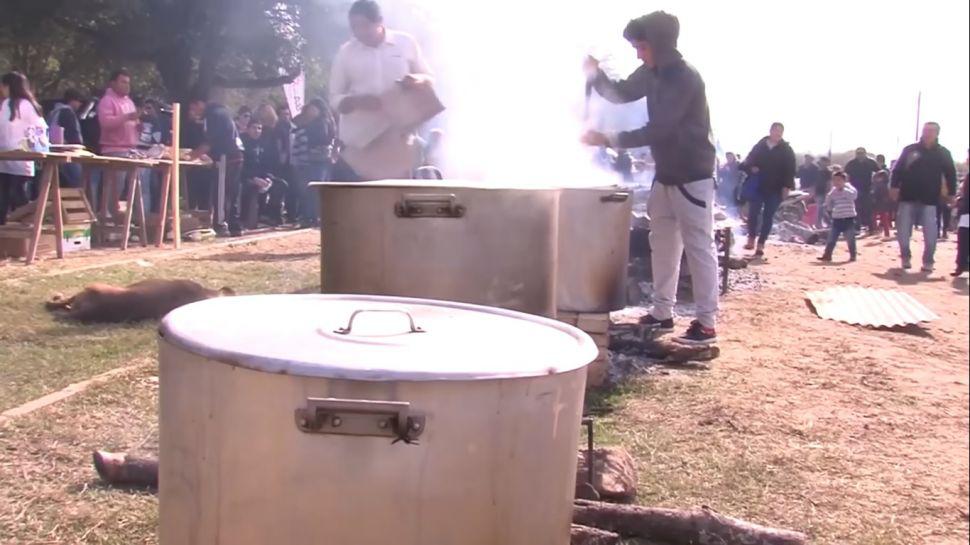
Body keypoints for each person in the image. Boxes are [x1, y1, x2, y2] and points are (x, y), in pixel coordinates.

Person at [581, 10, 719, 345]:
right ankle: (662, 312)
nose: (638, 54)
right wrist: (596, 74)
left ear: (660, 44)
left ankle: (706, 323)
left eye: (642, 47)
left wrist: (608, 138)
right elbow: (622, 92)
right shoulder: (651, 72)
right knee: (663, 244)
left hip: (693, 176)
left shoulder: (685, 78)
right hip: (667, 173)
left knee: (699, 247)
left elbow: (659, 130)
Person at [329, 0, 433, 181]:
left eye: (365, 26)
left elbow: (428, 78)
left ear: (380, 22)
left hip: (399, 135)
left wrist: (416, 80)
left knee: (400, 199)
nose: (360, 32)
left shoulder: (405, 43)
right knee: (369, 199)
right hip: (363, 141)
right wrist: (356, 101)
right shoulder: (346, 53)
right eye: (354, 27)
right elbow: (334, 97)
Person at [891, 122, 957, 272]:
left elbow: (950, 174)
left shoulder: (943, 153)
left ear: (937, 133)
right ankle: (905, 257)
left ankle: (928, 261)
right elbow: (897, 170)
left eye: (931, 131)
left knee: (931, 233)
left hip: (930, 199)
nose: (928, 133)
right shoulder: (910, 150)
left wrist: (952, 193)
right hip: (907, 196)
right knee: (903, 231)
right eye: (926, 130)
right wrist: (894, 187)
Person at [188, 93, 244, 236]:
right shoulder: (222, 112)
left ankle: (221, 224)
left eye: (194, 108)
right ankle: (235, 225)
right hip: (236, 155)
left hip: (226, 156)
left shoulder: (213, 115)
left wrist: (192, 156)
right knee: (232, 192)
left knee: (222, 192)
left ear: (199, 103)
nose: (194, 112)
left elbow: (210, 142)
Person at [740, 122, 796, 257]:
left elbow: (790, 169)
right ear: (770, 131)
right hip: (758, 185)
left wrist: (787, 186)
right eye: (775, 130)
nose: (778, 133)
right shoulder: (760, 146)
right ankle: (751, 238)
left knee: (768, 216)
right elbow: (748, 162)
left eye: (780, 131)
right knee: (753, 214)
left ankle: (761, 244)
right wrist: (751, 168)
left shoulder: (786, 150)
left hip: (776, 188)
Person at [0, 72, 47, 225]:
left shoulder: (26, 105)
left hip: (20, 159)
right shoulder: (6, 104)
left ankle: (27, 233)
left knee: (17, 195)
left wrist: (31, 148)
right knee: (4, 197)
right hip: (5, 158)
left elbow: (40, 130)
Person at [97, 69, 140, 222]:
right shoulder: (107, 101)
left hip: (131, 149)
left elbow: (134, 122)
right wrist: (128, 117)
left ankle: (131, 221)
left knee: (133, 188)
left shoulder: (129, 102)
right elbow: (106, 123)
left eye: (128, 83)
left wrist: (139, 125)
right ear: (113, 83)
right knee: (115, 187)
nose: (127, 86)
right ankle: (107, 219)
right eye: (123, 82)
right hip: (114, 150)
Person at [290, 97, 337, 228]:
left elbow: (322, 140)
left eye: (312, 108)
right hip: (316, 160)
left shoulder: (322, 123)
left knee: (313, 190)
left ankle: (312, 217)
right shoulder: (320, 123)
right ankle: (312, 216)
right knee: (313, 190)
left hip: (317, 161)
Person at [46, 88, 86, 187]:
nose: (79, 104)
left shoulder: (54, 112)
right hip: (68, 152)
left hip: (53, 151)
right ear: (72, 100)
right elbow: (73, 134)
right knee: (78, 182)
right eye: (78, 101)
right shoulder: (67, 112)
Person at [818, 171, 858, 262]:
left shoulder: (850, 189)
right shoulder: (833, 191)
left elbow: (853, 196)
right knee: (831, 238)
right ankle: (827, 255)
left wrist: (843, 189)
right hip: (837, 218)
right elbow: (829, 200)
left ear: (844, 180)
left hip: (848, 218)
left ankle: (853, 255)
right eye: (834, 180)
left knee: (850, 238)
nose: (836, 182)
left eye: (839, 180)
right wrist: (828, 206)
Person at [844, 147, 879, 233]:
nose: (860, 155)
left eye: (862, 153)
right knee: (856, 208)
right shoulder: (851, 163)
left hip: (867, 188)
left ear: (865, 153)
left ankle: (871, 227)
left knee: (868, 208)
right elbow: (845, 175)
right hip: (854, 189)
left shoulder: (871, 162)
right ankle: (857, 227)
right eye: (858, 153)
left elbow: (878, 172)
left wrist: (875, 184)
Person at [953, 154, 969, 277]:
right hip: (966, 212)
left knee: (963, 238)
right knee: (963, 238)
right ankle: (961, 265)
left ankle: (962, 264)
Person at [872, 165, 893, 238]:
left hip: (881, 203)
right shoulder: (882, 184)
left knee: (882, 218)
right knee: (880, 218)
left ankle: (884, 232)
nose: (878, 178)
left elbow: (881, 193)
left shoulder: (882, 185)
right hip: (880, 203)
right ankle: (881, 232)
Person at [814, 156, 833, 228]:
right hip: (818, 192)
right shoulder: (816, 170)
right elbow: (814, 182)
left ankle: (822, 223)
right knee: (820, 208)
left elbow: (829, 182)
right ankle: (819, 223)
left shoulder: (828, 172)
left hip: (825, 192)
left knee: (823, 208)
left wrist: (828, 192)